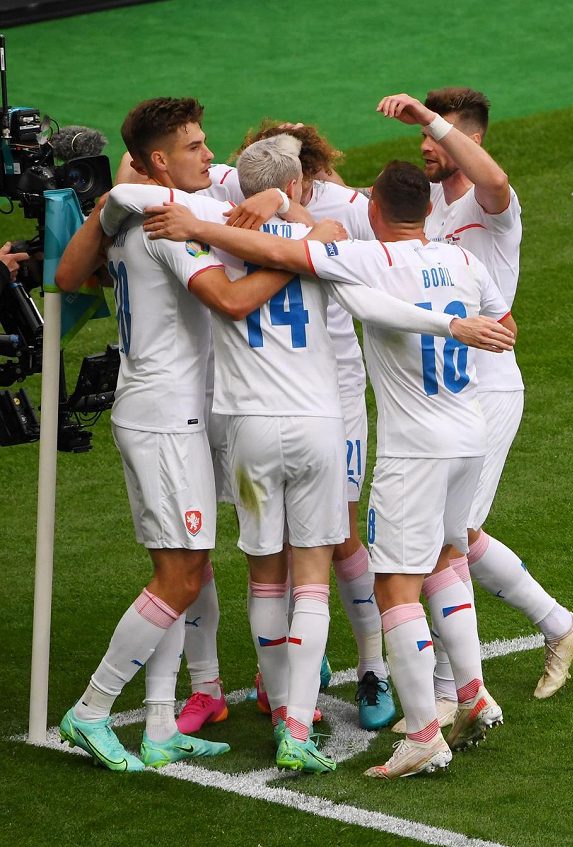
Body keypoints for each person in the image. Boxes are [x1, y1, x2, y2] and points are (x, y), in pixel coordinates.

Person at [140, 159, 517, 778]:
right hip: (467, 435)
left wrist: (196, 223)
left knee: (394, 583)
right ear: (426, 210)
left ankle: (422, 732)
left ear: (374, 212)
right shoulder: (466, 262)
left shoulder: (366, 258)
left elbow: (275, 256)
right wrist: (452, 322)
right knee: (449, 558)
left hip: (404, 447)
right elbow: (505, 327)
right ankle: (472, 691)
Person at [54, 97, 325, 772]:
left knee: (187, 567)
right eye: (197, 147)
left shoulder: (133, 213)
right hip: (164, 418)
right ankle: (91, 710)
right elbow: (231, 302)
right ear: (158, 161)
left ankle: (157, 726)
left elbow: (64, 276)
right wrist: (301, 257)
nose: (212, 157)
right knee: (177, 577)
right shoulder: (166, 225)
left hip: (165, 412)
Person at [377, 89, 573, 709]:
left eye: (436, 140)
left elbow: (493, 176)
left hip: (490, 388)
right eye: (421, 142)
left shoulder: (492, 205)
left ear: (464, 137)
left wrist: (432, 121)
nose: (426, 150)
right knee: (450, 535)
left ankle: (453, 689)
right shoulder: (434, 212)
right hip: (446, 394)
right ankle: (557, 626)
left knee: (455, 534)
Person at [209, 121, 395, 730]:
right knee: (300, 553)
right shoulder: (325, 228)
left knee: (333, 539)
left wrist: (275, 204)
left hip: (324, 402)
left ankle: (372, 667)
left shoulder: (216, 228)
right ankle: (291, 679)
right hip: (310, 409)